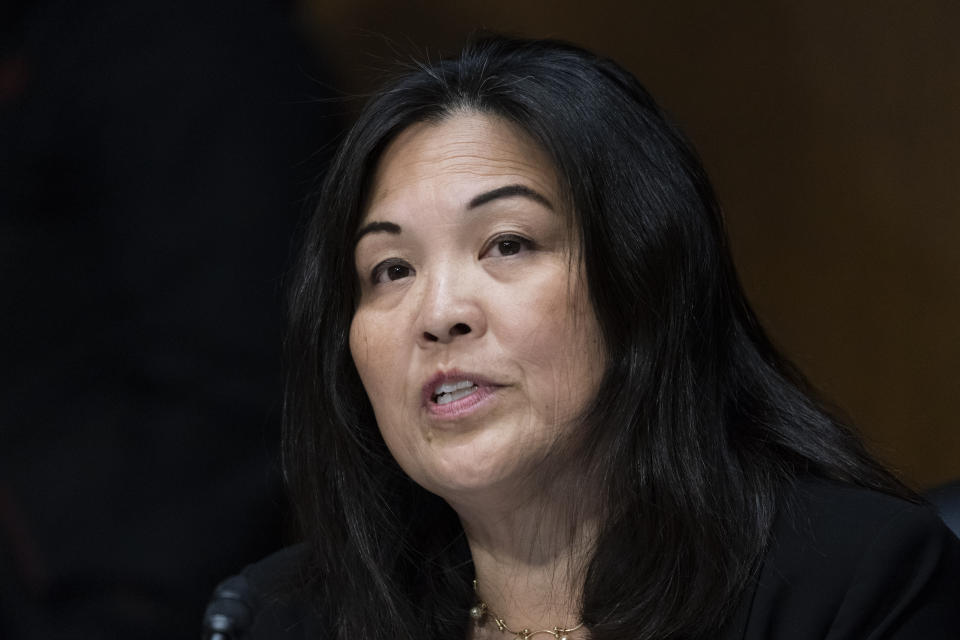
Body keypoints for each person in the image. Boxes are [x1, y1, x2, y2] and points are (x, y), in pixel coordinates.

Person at [205, 35, 960, 639]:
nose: (439, 313)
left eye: (507, 244)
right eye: (391, 269)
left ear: (641, 282)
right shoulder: (282, 617)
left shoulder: (854, 583)